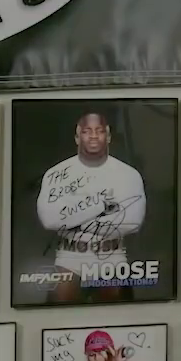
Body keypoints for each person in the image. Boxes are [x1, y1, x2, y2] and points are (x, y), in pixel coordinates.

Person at [35, 111, 147, 304]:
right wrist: (101, 207)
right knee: (58, 315)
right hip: (69, 258)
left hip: (112, 258)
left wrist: (72, 216)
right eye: (87, 131)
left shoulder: (128, 174)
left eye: (99, 131)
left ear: (108, 137)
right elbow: (49, 220)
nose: (93, 136)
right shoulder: (56, 174)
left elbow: (132, 221)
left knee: (118, 317)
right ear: (77, 138)